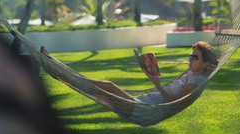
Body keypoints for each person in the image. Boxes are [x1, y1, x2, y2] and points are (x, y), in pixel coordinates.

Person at [90, 41, 218, 116]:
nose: (190, 59)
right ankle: (72, 79)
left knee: (107, 86)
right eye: (190, 56)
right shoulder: (191, 73)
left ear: (206, 62)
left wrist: (156, 84)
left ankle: (72, 79)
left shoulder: (195, 81)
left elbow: (175, 106)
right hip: (142, 103)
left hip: (143, 109)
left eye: (194, 57)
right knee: (104, 93)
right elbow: (211, 64)